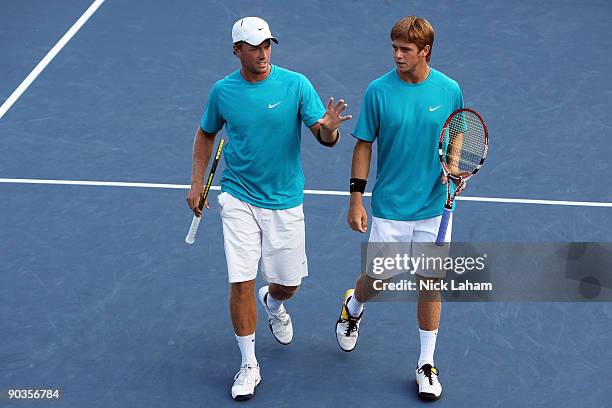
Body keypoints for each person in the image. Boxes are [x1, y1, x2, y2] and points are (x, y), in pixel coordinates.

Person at [187, 16, 351, 401]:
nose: (263, 53)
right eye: (254, 47)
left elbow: (325, 138)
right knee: (240, 281)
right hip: (238, 197)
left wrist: (328, 127)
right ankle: (248, 363)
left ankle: (273, 303)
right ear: (236, 51)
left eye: (267, 45)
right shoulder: (222, 92)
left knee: (290, 284)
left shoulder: (295, 84)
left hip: (284, 200)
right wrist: (197, 182)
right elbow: (205, 133)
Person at [334, 16, 465, 401]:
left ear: (425, 51)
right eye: (394, 47)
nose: (397, 55)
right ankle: (353, 306)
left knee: (431, 283)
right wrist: (356, 197)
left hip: (434, 207)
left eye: (405, 49)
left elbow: (457, 133)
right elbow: (363, 144)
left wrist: (454, 166)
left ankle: (426, 363)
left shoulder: (449, 89)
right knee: (378, 282)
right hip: (390, 207)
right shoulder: (379, 91)